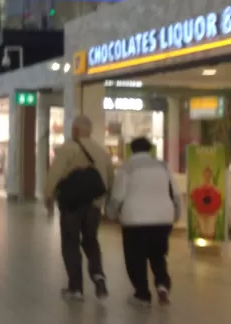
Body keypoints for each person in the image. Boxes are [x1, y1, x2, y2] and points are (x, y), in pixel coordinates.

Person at [45, 115, 113, 302]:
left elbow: (55, 173)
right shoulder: (101, 152)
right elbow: (109, 180)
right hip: (94, 206)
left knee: (70, 242)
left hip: (72, 205)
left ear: (75, 130)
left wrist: (48, 195)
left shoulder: (68, 148)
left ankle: (76, 288)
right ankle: (98, 275)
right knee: (91, 241)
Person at [107, 137, 179, 307]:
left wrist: (111, 213)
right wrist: (176, 214)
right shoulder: (163, 166)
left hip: (135, 220)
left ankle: (142, 294)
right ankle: (162, 285)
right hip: (163, 219)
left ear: (131, 150)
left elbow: (117, 196)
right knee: (158, 255)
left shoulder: (127, 168)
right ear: (150, 149)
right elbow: (175, 193)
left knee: (135, 257)